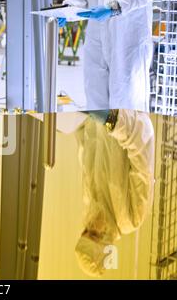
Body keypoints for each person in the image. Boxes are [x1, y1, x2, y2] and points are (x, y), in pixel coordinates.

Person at [74, 109, 155, 276]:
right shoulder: (131, 217)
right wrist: (112, 119)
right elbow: (142, 140)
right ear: (106, 243)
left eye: (85, 231)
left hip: (94, 97)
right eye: (94, 234)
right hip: (125, 100)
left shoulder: (90, 200)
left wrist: (77, 114)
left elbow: (84, 139)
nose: (90, 225)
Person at [59, 0, 161, 111]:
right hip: (96, 36)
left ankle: (122, 131)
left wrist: (114, 7)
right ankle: (100, 131)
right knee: (95, 99)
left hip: (128, 36)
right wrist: (70, 8)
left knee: (126, 101)